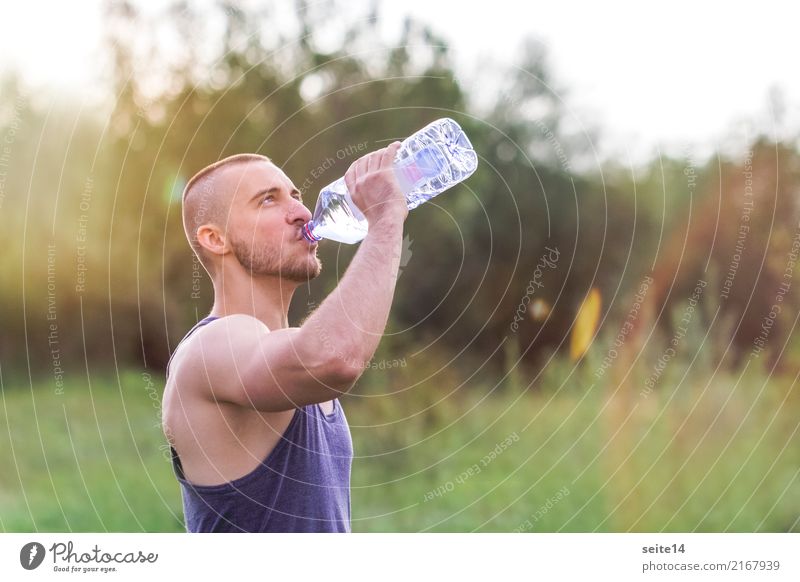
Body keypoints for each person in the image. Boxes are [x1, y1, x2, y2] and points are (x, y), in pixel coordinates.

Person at [162, 142, 408, 532]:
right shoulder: (210, 350)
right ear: (215, 239)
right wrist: (386, 217)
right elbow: (335, 358)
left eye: (296, 196)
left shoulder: (288, 348)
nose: (302, 212)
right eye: (267, 201)